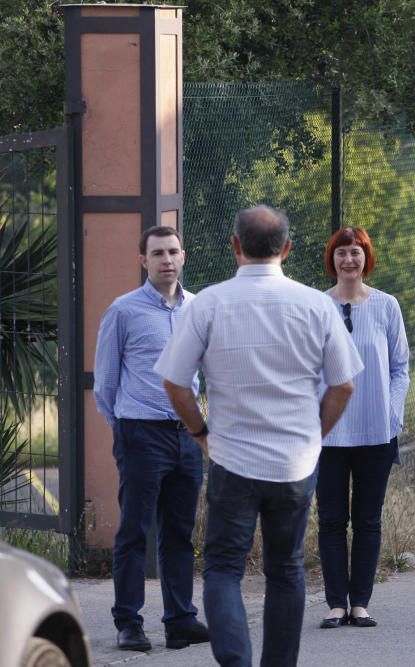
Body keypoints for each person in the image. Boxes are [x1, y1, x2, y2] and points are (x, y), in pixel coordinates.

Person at [156, 206, 362, 666]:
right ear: (287, 249)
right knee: (286, 570)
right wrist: (316, 433)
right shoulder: (316, 305)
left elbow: (174, 380)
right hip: (295, 462)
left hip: (232, 459)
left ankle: (236, 662)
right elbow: (344, 383)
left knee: (224, 569)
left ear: (234, 245)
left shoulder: (208, 303)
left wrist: (201, 433)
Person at [93, 226, 209, 652]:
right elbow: (105, 381)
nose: (167, 260)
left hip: (187, 435)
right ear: (143, 260)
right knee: (134, 531)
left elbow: (204, 372)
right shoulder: (123, 311)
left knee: (179, 532)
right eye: (157, 253)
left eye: (173, 251)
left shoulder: (198, 309)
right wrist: (124, 429)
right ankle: (128, 622)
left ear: (183, 256)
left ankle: (180, 620)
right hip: (140, 434)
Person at [315, 227, 410, 629]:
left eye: (355, 253)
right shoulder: (316, 306)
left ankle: (361, 603)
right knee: (332, 520)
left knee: (368, 519)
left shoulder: (387, 306)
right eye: (341, 254)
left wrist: (392, 414)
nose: (348, 260)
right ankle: (336, 603)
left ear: (365, 257)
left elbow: (400, 368)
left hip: (376, 433)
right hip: (329, 434)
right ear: (332, 260)